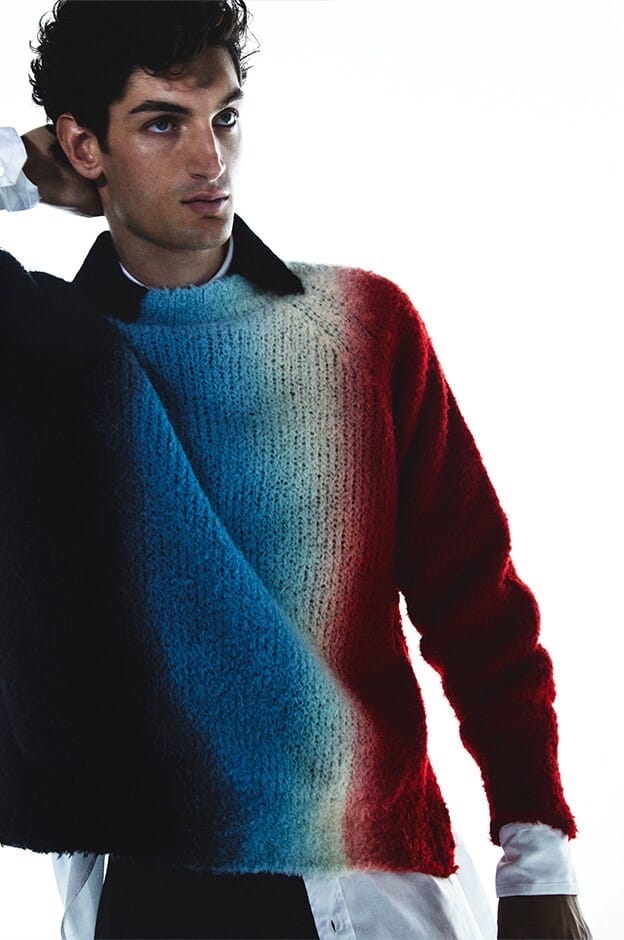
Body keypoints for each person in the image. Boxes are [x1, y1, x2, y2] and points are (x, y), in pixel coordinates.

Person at [0, 2, 593, 939]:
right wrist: (16, 169)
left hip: (366, 888)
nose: (210, 160)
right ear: (82, 146)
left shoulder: (359, 326)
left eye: (224, 116)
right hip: (141, 889)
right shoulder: (39, 359)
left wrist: (540, 865)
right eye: (162, 123)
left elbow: (480, 610)